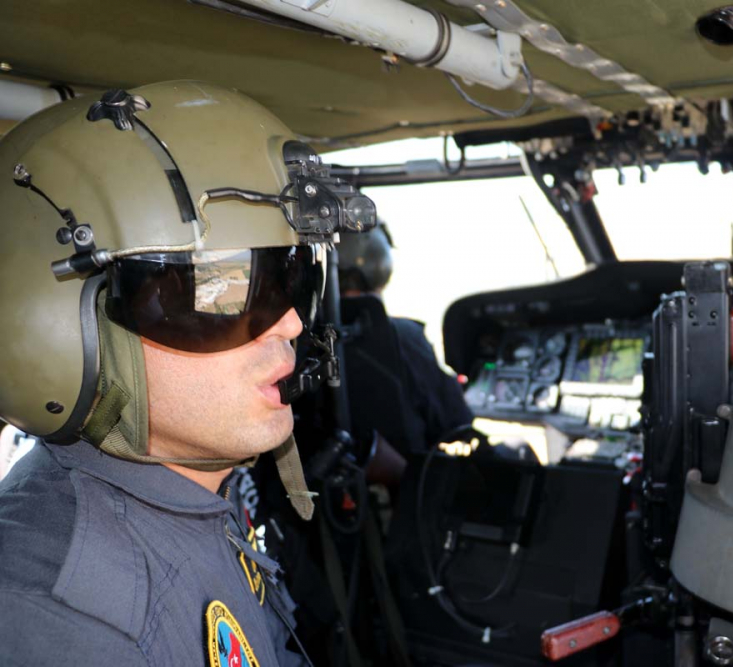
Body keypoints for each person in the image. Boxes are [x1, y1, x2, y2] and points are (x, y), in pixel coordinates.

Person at [0, 81, 359, 665]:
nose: (292, 323)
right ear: (63, 328)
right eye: (221, 291)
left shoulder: (188, 498)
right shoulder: (63, 616)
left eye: (292, 275)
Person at [338, 222, 474, 463]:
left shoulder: (299, 336)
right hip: (405, 486)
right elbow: (454, 423)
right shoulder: (403, 336)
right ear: (381, 264)